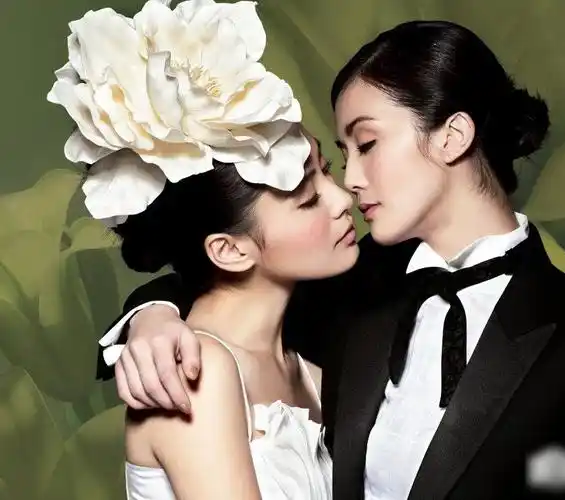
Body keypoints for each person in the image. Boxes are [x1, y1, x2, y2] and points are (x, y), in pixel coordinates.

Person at [97, 19, 565, 500]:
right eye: (342, 156)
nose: (351, 183)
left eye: (367, 144)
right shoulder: (359, 286)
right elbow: (220, 278)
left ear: (453, 136)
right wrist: (152, 318)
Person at [47, 2, 359, 499]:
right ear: (229, 250)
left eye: (328, 172)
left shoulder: (312, 373)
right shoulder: (194, 369)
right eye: (307, 199)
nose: (344, 200)